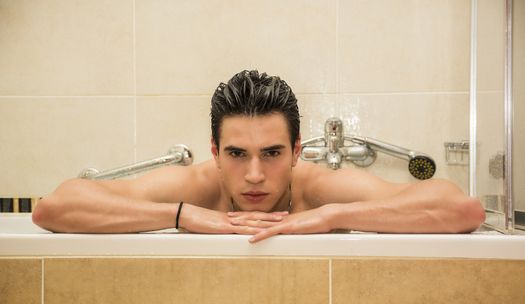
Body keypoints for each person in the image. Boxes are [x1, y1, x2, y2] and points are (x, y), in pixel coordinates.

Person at [32, 70, 485, 243]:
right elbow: (54, 207)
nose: (253, 175)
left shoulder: (319, 190)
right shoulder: (195, 188)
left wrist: (332, 215)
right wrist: (181, 215)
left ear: (296, 152)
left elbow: (461, 208)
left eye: (271, 153)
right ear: (213, 151)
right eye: (235, 154)